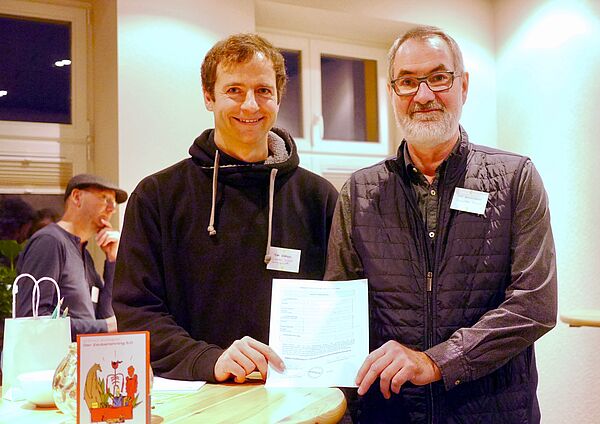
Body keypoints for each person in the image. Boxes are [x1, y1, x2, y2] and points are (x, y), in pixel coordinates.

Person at [325, 25, 557, 423]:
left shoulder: (516, 178)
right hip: (392, 412)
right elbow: (339, 313)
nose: (424, 95)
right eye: (408, 82)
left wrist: (437, 362)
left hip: (493, 411)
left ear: (463, 85)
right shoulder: (360, 190)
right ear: (392, 91)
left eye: (438, 78)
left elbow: (533, 305)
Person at [112, 33, 338, 384]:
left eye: (263, 90)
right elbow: (137, 310)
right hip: (196, 398)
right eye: (234, 90)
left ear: (278, 98)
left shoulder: (319, 198)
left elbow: (339, 304)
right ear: (208, 97)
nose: (250, 105)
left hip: (297, 396)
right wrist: (208, 360)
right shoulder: (157, 196)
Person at [15, 174, 128, 338]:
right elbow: (33, 319)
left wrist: (112, 261)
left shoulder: (83, 253)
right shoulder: (49, 242)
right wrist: (105, 326)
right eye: (105, 199)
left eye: (114, 203)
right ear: (77, 197)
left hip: (82, 360)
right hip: (54, 362)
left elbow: (105, 316)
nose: (112, 208)